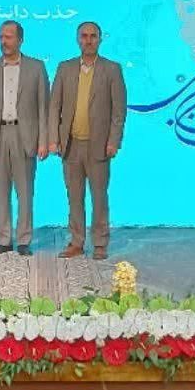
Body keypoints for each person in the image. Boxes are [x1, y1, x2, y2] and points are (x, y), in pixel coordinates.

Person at [48, 21, 127, 260]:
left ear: (100, 39)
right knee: (74, 198)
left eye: (93, 36)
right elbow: (54, 106)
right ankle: (76, 242)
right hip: (70, 145)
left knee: (99, 198)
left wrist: (114, 141)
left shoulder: (112, 69)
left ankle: (100, 244)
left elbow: (118, 111)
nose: (89, 40)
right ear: (78, 39)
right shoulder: (65, 68)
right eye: (84, 36)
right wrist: (54, 139)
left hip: (99, 145)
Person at [0, 21, 49, 256]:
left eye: (8, 37)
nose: (3, 41)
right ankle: (3, 240)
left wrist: (44, 141)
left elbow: (43, 108)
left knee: (25, 192)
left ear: (20, 40)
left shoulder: (36, 67)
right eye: (1, 37)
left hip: (24, 136)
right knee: (0, 191)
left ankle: (24, 240)